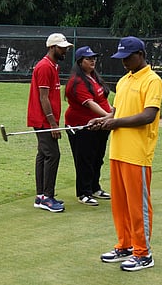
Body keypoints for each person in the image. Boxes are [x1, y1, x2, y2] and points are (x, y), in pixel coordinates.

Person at [89, 36, 162, 272]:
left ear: (140, 55)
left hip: (138, 153)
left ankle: (143, 253)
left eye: (127, 58)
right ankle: (125, 245)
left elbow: (148, 115)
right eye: (121, 58)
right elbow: (116, 111)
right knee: (120, 205)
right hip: (118, 151)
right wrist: (103, 120)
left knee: (137, 205)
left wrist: (115, 122)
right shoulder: (123, 81)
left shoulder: (153, 80)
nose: (124, 62)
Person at [27, 33, 73, 212]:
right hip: (43, 119)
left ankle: (41, 196)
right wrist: (53, 124)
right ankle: (47, 197)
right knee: (53, 155)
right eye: (62, 48)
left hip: (44, 119)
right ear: (53, 47)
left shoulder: (53, 66)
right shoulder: (45, 66)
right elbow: (43, 97)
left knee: (44, 155)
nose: (65, 51)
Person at [64, 46, 113, 206]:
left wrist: (111, 112)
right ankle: (83, 192)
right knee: (85, 159)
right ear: (80, 62)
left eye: (94, 58)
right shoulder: (76, 82)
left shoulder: (94, 77)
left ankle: (94, 187)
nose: (93, 60)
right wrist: (109, 117)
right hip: (82, 127)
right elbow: (91, 104)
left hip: (100, 126)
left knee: (97, 158)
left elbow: (103, 100)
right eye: (88, 58)